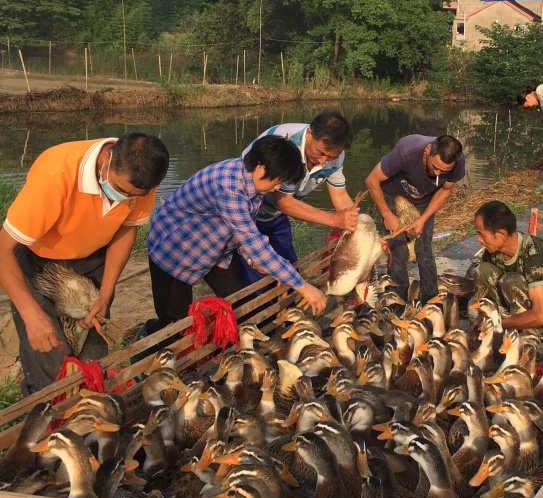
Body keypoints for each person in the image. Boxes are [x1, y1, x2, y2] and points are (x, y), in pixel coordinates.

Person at [0, 133, 170, 395]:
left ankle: (90, 407)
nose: (125, 198)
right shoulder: (56, 175)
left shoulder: (143, 176)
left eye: (135, 195)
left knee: (94, 344)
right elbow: (2, 249)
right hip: (38, 257)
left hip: (94, 253)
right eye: (121, 190)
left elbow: (127, 228)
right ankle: (48, 412)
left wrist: (106, 293)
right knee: (49, 349)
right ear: (105, 159)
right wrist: (31, 315)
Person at [146, 135, 327, 328]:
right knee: (177, 324)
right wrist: (303, 286)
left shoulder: (252, 182)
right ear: (260, 167)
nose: (276, 188)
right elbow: (253, 242)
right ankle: (149, 332)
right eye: (276, 182)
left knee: (241, 303)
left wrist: (255, 261)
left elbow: (244, 234)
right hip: (173, 247)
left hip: (213, 247)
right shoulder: (229, 188)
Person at [237, 111, 359, 281]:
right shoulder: (286, 145)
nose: (324, 161)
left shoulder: (335, 156)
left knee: (290, 269)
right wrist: (334, 220)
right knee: (257, 276)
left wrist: (359, 228)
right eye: (321, 153)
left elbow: (340, 197)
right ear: (310, 134)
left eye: (332, 157)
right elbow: (285, 203)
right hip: (246, 213)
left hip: (275, 214)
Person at [366, 134, 466, 303]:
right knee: (397, 250)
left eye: (444, 171)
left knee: (424, 249)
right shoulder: (406, 153)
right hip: (394, 193)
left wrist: (423, 218)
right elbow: (371, 180)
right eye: (435, 167)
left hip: (425, 199)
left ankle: (431, 300)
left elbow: (445, 191)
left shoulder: (457, 162)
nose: (437, 174)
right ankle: (398, 299)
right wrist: (387, 214)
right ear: (428, 151)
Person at [473, 200, 543, 337]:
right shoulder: (492, 251)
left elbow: (540, 316)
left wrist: (498, 324)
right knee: (482, 270)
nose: (479, 239)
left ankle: (530, 339)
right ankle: (507, 328)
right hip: (518, 304)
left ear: (501, 234)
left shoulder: (534, 255)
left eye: (482, 234)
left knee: (510, 281)